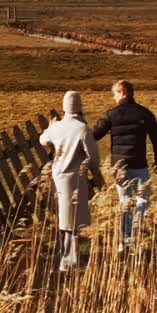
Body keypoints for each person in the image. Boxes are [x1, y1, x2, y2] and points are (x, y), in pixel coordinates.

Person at [91, 80, 157, 249]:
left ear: (123, 92)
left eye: (115, 94)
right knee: (143, 199)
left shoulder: (111, 114)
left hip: (119, 165)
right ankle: (135, 233)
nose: (114, 98)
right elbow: (156, 136)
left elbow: (94, 134)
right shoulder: (144, 113)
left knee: (124, 201)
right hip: (139, 163)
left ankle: (124, 241)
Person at [39, 91, 99, 271]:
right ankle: (69, 259)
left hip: (57, 174)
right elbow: (93, 156)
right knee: (73, 220)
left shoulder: (56, 127)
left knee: (64, 217)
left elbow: (43, 140)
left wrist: (50, 131)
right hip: (76, 176)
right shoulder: (82, 128)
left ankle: (66, 256)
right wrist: (96, 174)